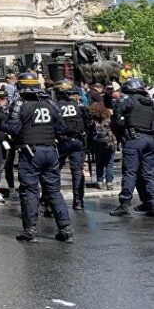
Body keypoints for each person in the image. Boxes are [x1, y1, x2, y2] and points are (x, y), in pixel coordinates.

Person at [6, 72, 73, 243]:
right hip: (50, 151)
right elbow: (62, 128)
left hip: (30, 152)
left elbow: (13, 129)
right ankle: (65, 228)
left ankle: (30, 230)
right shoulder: (50, 103)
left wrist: (3, 124)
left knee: (29, 191)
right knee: (54, 191)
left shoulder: (19, 104)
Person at [110, 78, 154, 217]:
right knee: (148, 173)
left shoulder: (126, 101)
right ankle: (151, 203)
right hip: (150, 140)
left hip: (133, 139)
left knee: (130, 172)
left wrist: (122, 137)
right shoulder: (150, 103)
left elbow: (116, 122)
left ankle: (124, 204)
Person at [53, 79, 91, 211]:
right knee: (77, 172)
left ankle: (50, 200)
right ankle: (78, 201)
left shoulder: (55, 106)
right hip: (78, 140)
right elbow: (88, 123)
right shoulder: (79, 105)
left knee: (54, 171)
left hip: (62, 142)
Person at [88, 102, 117, 190]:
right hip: (110, 143)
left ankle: (99, 181)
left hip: (97, 144)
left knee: (99, 163)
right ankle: (109, 183)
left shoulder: (92, 121)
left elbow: (89, 134)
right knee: (109, 164)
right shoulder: (108, 118)